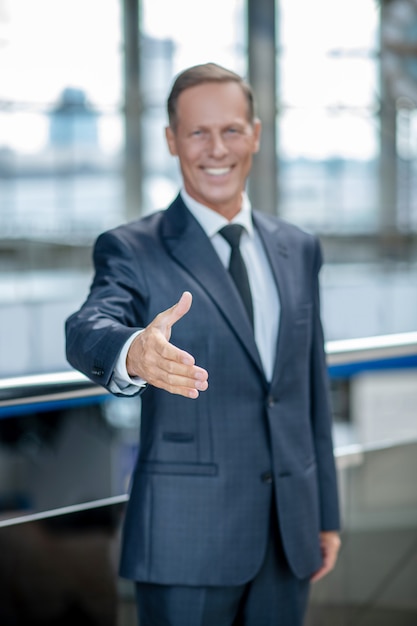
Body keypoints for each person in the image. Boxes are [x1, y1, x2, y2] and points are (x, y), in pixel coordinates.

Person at [65, 62, 341, 626]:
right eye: (197, 132)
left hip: (289, 534)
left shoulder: (299, 248)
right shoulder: (131, 248)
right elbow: (87, 324)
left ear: (256, 135)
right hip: (185, 541)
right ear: (171, 140)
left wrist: (325, 514)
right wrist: (132, 351)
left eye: (232, 130)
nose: (216, 149)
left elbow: (309, 389)